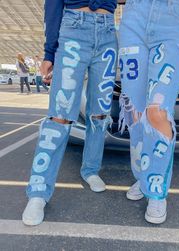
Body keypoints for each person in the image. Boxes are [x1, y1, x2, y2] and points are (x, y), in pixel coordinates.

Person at [119, 0, 179, 224]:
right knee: (133, 112)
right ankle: (143, 176)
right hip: (134, 16)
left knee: (157, 111)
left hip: (173, 17)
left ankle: (155, 189)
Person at [22, 0, 117, 226]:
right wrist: (49, 52)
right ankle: (38, 191)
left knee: (100, 113)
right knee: (60, 115)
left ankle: (91, 169)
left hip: (108, 30)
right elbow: (53, 3)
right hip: (74, 27)